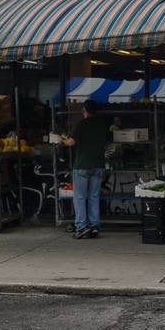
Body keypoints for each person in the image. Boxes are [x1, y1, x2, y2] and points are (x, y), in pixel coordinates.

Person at [59, 102, 110, 239]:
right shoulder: (101, 125)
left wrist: (60, 140)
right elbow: (106, 143)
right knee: (94, 196)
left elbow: (71, 142)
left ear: (84, 110)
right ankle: (94, 226)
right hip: (98, 165)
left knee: (80, 197)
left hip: (82, 165)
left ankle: (81, 227)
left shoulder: (81, 124)